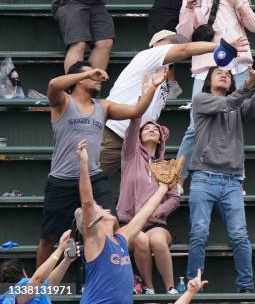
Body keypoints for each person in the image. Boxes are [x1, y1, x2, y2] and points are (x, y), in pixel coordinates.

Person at [36, 61, 165, 266]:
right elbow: (53, 84)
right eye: (91, 76)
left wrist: (153, 86)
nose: (98, 79)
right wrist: (87, 73)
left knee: (112, 226)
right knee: (49, 238)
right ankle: (39, 288)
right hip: (62, 179)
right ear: (78, 80)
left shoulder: (103, 106)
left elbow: (137, 111)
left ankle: (109, 272)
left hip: (94, 176)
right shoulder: (63, 101)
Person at [186, 63, 255, 291]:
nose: (224, 75)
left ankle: (246, 287)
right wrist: (249, 83)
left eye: (227, 74)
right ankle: (193, 284)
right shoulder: (201, 99)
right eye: (218, 73)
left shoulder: (235, 104)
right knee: (199, 234)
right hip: (203, 177)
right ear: (209, 80)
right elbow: (230, 102)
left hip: (232, 180)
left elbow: (253, 106)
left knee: (240, 236)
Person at [98, 31, 248, 176]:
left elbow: (147, 110)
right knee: (86, 183)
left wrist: (154, 127)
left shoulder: (161, 78)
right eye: (170, 42)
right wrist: (222, 47)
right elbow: (184, 49)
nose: (173, 47)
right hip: (113, 133)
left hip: (134, 142)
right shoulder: (147, 55)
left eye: (175, 43)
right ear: (155, 43)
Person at [175, 0, 255, 184]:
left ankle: (237, 178)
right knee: (194, 126)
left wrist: (238, 1)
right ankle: (176, 181)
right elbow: (183, 38)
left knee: (236, 123)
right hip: (206, 67)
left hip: (237, 65)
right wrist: (187, 9)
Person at [75, 139, 175, 304]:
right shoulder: (95, 239)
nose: (104, 207)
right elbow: (86, 202)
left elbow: (145, 213)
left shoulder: (121, 238)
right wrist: (84, 163)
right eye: (98, 206)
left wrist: (164, 187)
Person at [116, 117, 180, 295]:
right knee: (141, 240)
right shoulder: (130, 156)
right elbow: (131, 131)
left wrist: (158, 212)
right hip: (129, 222)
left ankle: (171, 288)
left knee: (158, 241)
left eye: (155, 129)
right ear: (139, 136)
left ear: (161, 138)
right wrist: (139, 110)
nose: (151, 130)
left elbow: (174, 198)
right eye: (146, 129)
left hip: (155, 222)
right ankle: (149, 287)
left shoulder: (167, 166)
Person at [0, 230, 79, 304]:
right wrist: (60, 249)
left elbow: (49, 284)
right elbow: (37, 280)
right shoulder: (12, 299)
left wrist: (67, 260)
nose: (28, 277)